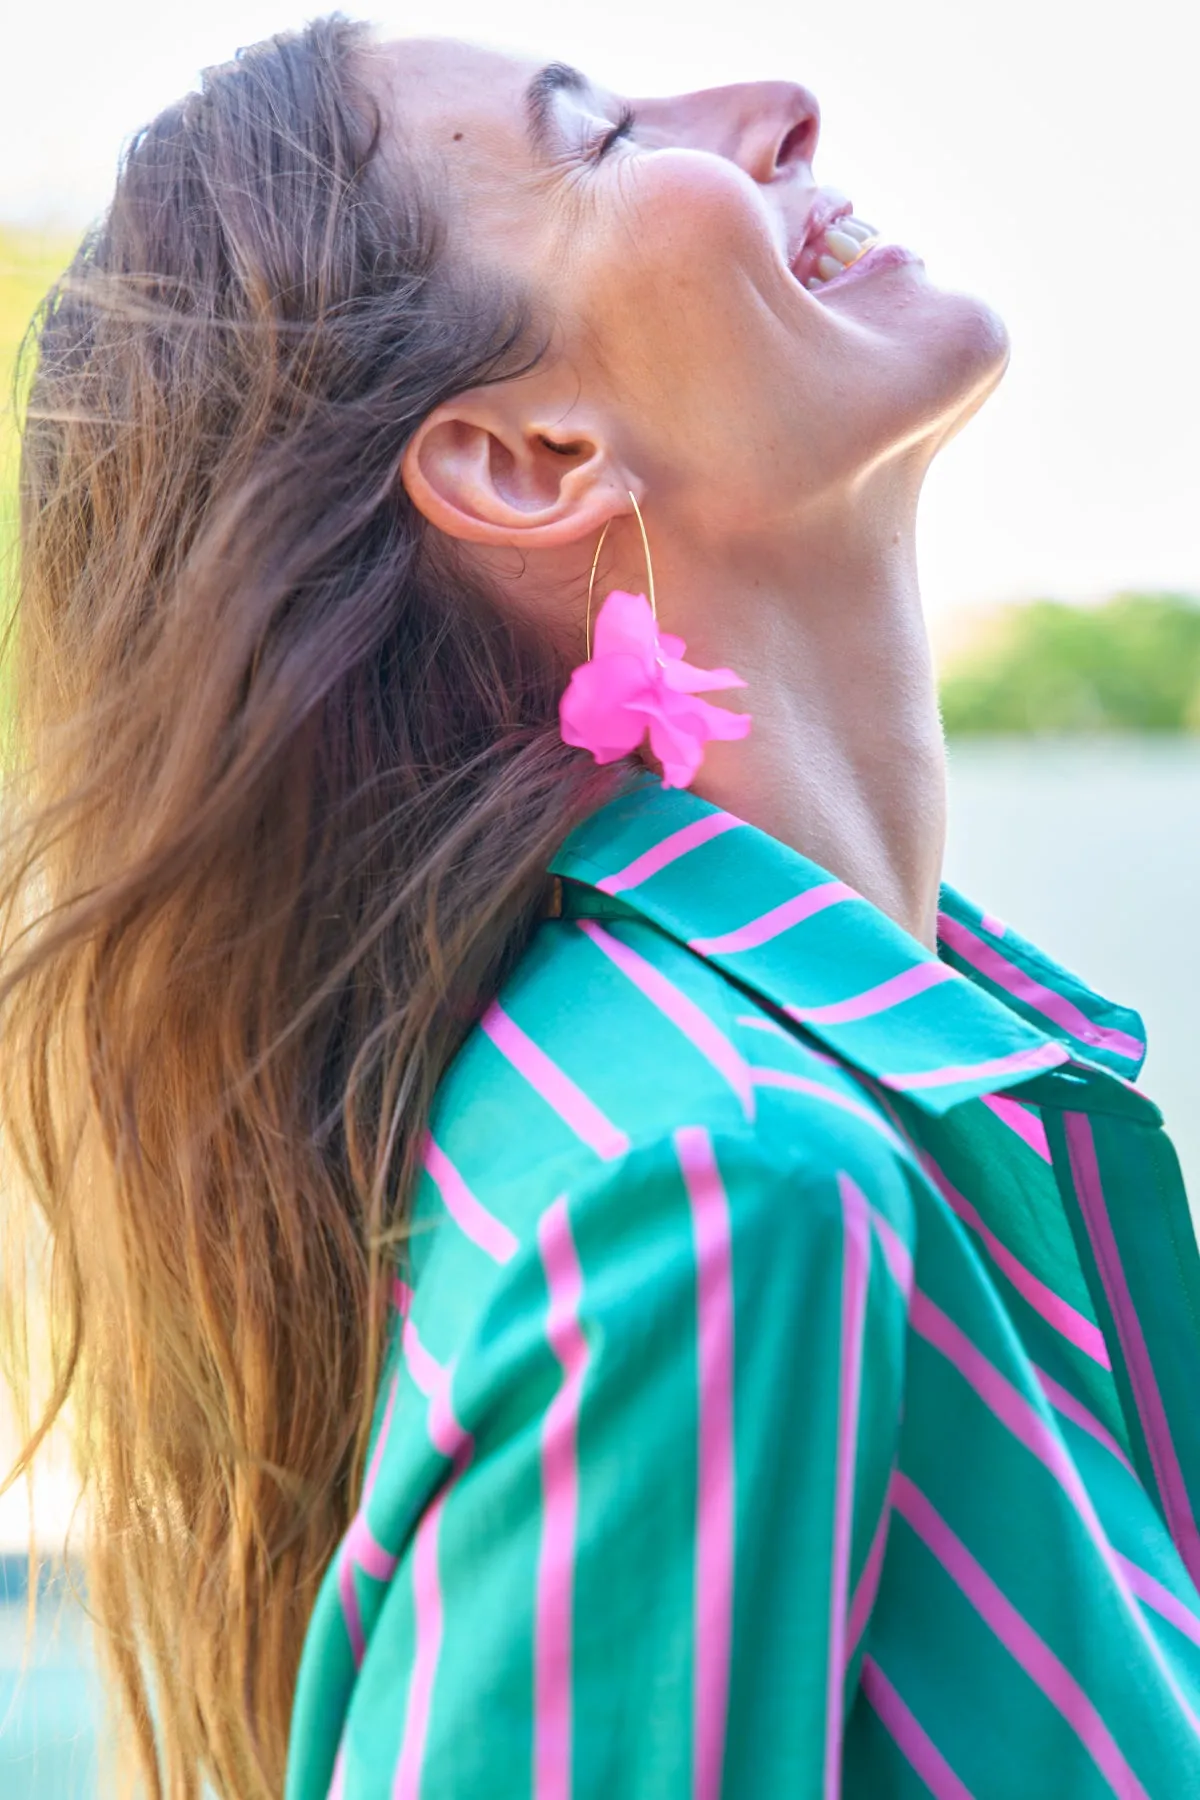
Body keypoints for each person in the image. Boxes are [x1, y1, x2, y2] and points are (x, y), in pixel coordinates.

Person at [3, 14, 1199, 1800]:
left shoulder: (752, 1118)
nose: (784, 112)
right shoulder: (714, 1184)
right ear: (528, 458)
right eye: (603, 136)